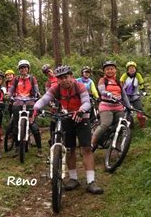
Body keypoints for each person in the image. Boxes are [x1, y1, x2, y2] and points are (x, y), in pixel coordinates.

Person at [32, 65, 104, 194]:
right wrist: (36, 108)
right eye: (60, 78)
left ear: (71, 76)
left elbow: (86, 101)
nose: (64, 80)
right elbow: (44, 99)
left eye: (66, 77)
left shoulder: (79, 86)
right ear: (57, 80)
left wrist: (81, 110)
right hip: (66, 117)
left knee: (86, 149)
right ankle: (73, 179)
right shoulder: (56, 88)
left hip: (82, 118)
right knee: (70, 149)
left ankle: (91, 181)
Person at [91, 61, 132, 151]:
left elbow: (124, 95)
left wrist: (129, 107)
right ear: (104, 71)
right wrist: (109, 94)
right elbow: (101, 90)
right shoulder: (103, 80)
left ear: (115, 70)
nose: (110, 71)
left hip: (118, 107)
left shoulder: (118, 81)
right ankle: (92, 142)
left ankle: (117, 145)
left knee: (121, 125)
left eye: (112, 69)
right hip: (106, 106)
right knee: (105, 124)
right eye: (107, 69)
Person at [7, 59, 43, 157]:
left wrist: (38, 95)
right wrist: (9, 94)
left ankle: (39, 149)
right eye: (21, 68)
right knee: (16, 126)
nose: (23, 69)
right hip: (18, 101)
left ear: (28, 69)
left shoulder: (32, 79)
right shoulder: (16, 79)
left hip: (30, 101)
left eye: (25, 67)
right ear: (19, 69)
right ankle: (17, 147)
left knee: (33, 126)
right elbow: (11, 89)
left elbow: (36, 89)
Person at [120, 61, 146, 128]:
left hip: (135, 96)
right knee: (127, 113)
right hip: (126, 97)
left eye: (133, 68)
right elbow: (121, 83)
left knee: (140, 114)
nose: (131, 70)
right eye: (130, 68)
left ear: (135, 69)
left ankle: (143, 126)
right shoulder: (125, 75)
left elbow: (141, 84)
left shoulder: (138, 75)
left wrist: (143, 91)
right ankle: (129, 128)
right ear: (127, 70)